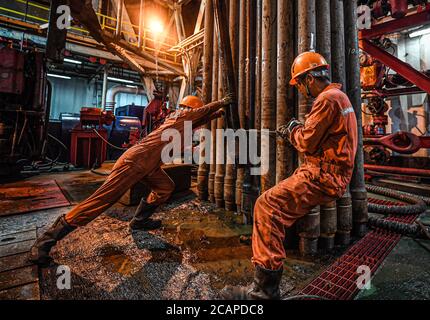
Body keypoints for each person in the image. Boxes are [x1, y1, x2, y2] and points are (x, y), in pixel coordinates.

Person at [28, 94, 232, 265]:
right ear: (188, 109)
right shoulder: (181, 116)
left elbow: (198, 119)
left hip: (148, 166)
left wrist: (217, 114)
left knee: (165, 187)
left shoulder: (183, 124)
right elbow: (197, 115)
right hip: (133, 163)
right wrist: (220, 102)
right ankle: (45, 242)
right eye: (194, 111)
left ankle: (139, 220)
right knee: (99, 202)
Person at [221, 51, 358, 300]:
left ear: (308, 79)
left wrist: (294, 130)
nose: (302, 91)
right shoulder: (341, 97)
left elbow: (306, 142)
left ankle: (263, 292)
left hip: (323, 175)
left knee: (267, 206)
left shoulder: (326, 100)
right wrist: (300, 129)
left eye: (301, 84)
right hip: (328, 172)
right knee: (276, 205)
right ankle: (266, 276)